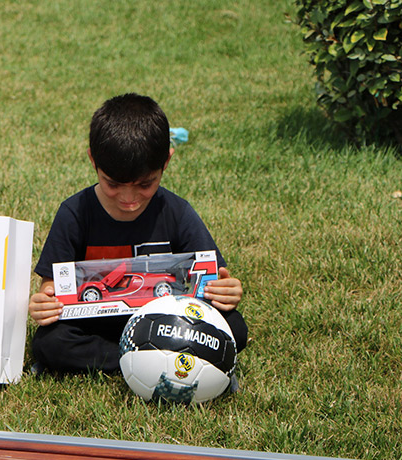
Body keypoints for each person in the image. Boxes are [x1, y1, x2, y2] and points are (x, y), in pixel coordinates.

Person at [29, 93, 248, 373]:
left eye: (145, 184)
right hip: (97, 324)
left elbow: (213, 279)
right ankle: (139, 358)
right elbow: (51, 286)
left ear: (166, 161)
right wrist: (45, 303)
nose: (129, 199)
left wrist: (226, 292)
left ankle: (139, 356)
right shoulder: (75, 212)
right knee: (50, 342)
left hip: (164, 322)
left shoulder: (177, 212)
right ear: (93, 160)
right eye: (113, 184)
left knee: (234, 327)